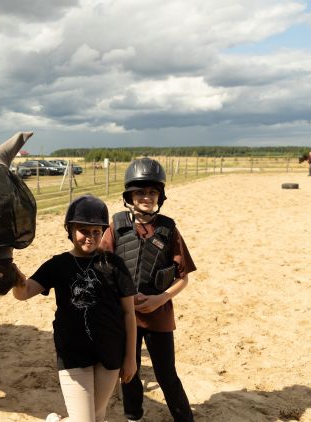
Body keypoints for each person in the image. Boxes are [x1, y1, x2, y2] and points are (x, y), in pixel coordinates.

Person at [13, 195, 137, 422]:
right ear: (70, 230)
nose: (90, 237)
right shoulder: (57, 265)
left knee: (97, 417)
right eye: (83, 230)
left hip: (110, 353)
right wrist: (15, 279)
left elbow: (129, 313)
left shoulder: (114, 264)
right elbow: (24, 293)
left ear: (103, 232)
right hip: (72, 354)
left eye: (96, 232)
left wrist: (130, 358)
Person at [100, 157, 196, 422]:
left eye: (152, 192)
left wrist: (160, 299)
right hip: (124, 316)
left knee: (166, 374)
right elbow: (99, 267)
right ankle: (134, 417)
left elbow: (183, 277)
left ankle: (184, 418)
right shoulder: (116, 226)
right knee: (129, 371)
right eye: (140, 191)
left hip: (158, 314)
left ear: (160, 196)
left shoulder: (168, 229)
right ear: (129, 195)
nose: (146, 196)